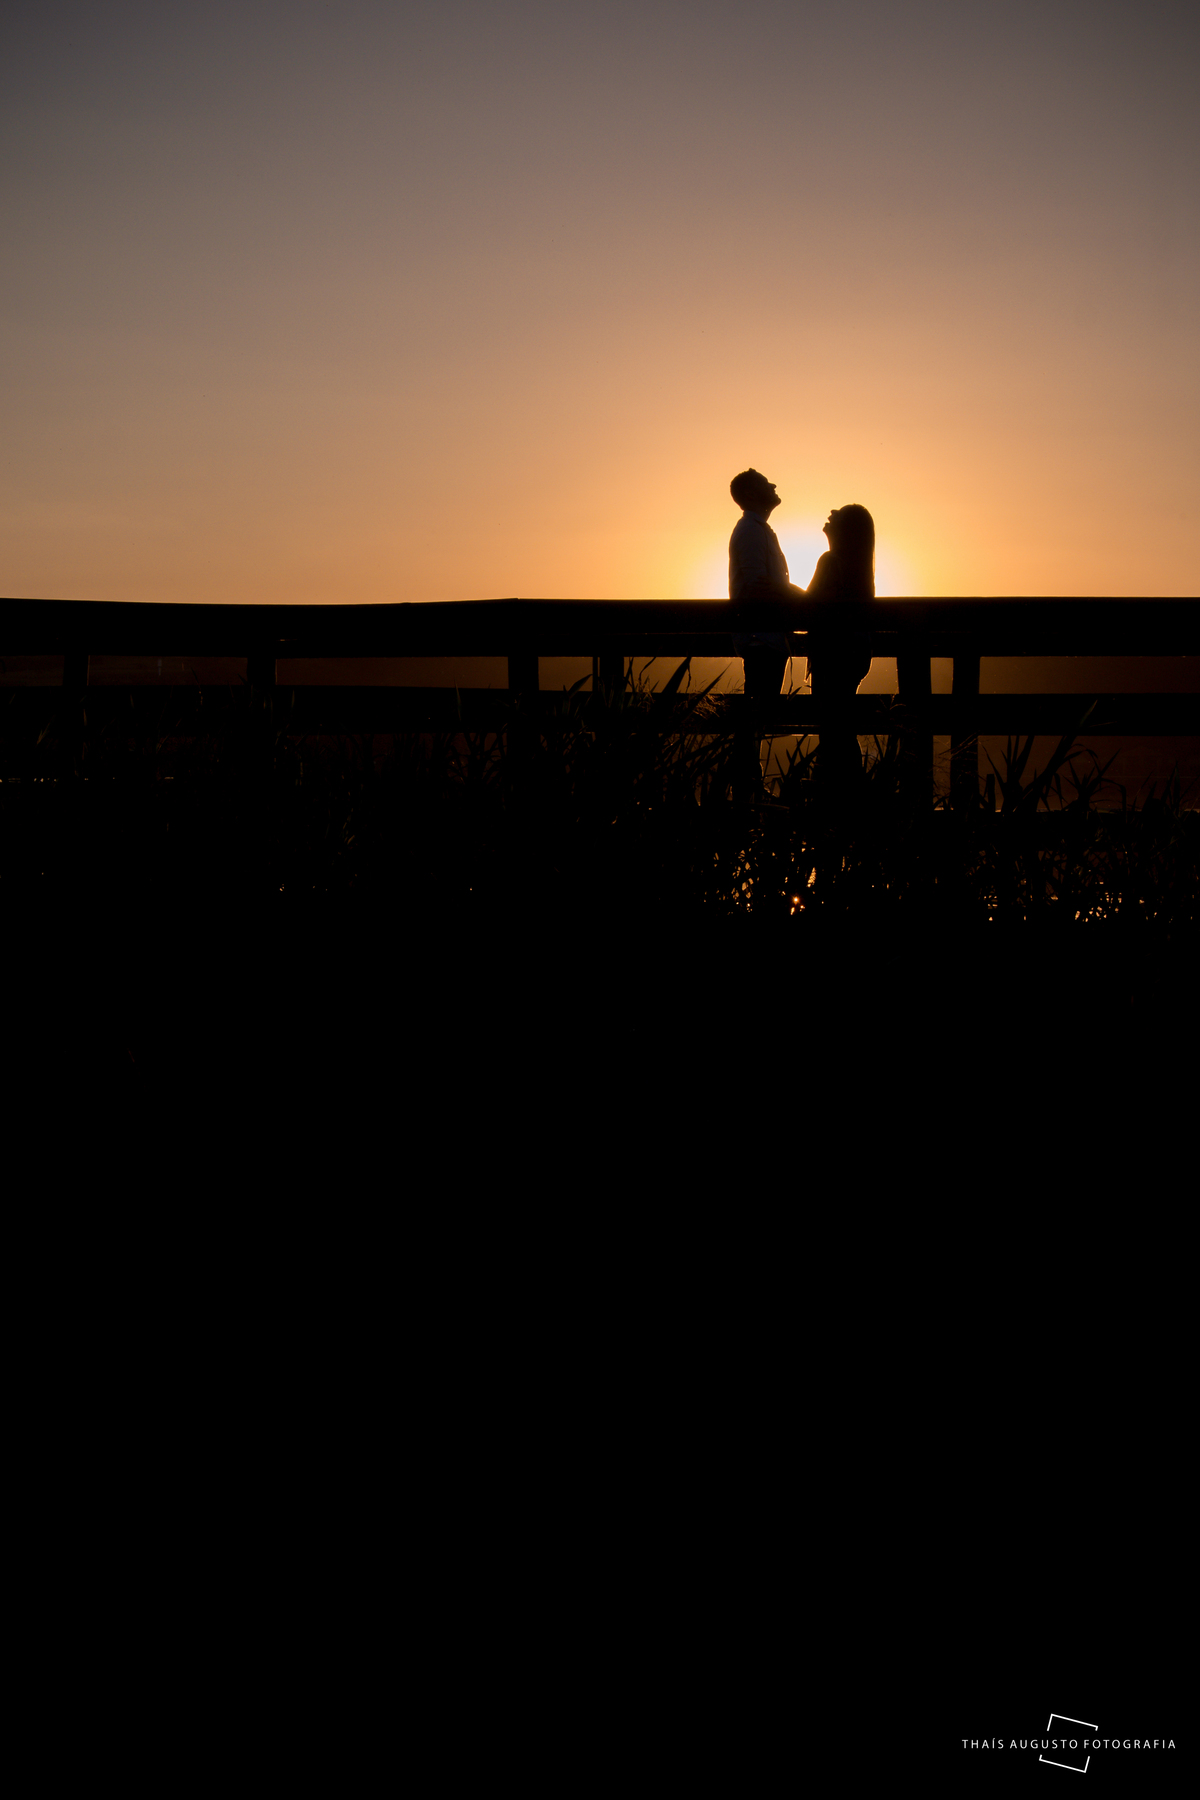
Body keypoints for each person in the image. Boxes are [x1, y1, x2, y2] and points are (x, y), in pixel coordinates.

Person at [727, 469, 806, 800]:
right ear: (750, 494)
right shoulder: (750, 531)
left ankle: (748, 784)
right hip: (761, 637)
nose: (773, 485)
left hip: (767, 636)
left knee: (760, 713)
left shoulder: (758, 530)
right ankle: (747, 786)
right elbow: (758, 583)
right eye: (765, 484)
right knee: (758, 713)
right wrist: (802, 599)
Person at [803, 503, 875, 786]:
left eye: (839, 514)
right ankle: (849, 789)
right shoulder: (859, 569)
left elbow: (810, 604)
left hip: (832, 653)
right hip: (854, 653)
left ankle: (833, 791)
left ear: (846, 530)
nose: (830, 513)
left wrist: (780, 592)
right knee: (842, 725)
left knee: (832, 727)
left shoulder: (831, 561)